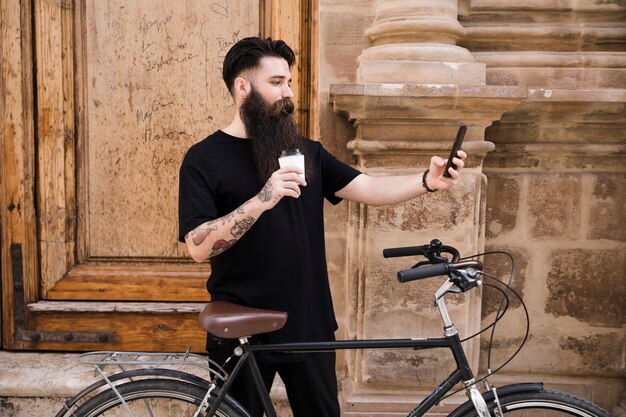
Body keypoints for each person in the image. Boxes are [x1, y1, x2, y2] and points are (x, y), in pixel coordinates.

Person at [178, 37, 466, 417]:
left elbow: (366, 187)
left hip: (308, 321)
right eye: (277, 82)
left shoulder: (305, 151)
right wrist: (264, 198)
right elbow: (197, 247)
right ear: (243, 87)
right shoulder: (203, 159)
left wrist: (427, 181)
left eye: (289, 83)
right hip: (240, 325)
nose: (288, 93)